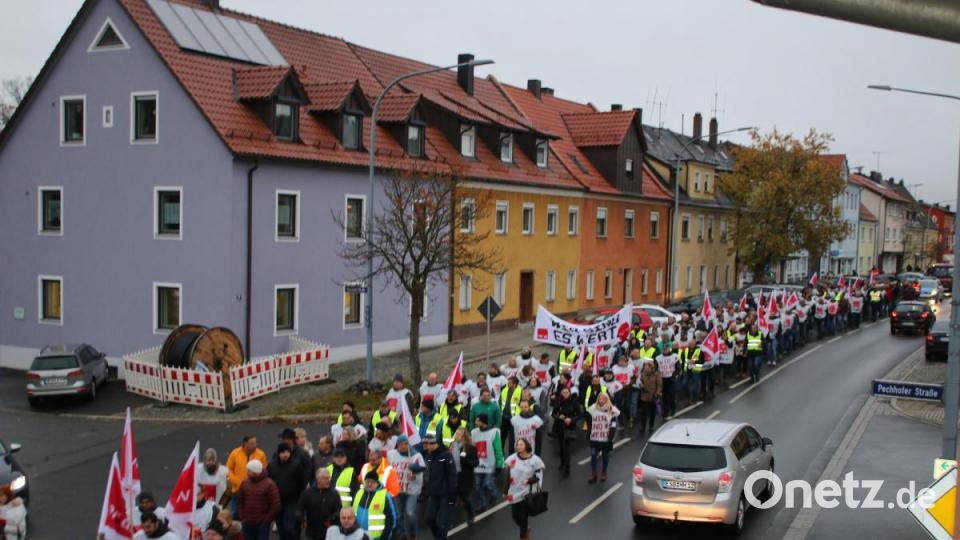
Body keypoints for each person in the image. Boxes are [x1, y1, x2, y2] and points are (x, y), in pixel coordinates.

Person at [504, 438, 544, 540]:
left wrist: (529, 480)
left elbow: (538, 476)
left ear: (526, 446)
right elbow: (508, 476)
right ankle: (526, 529)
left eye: (521, 445)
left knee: (523, 516)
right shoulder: (512, 459)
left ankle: (523, 537)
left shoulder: (535, 460)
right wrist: (505, 491)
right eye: (517, 445)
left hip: (527, 492)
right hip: (515, 491)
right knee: (515, 516)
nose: (518, 447)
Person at [386, 436, 425, 540]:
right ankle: (402, 534)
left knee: (410, 512)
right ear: (397, 445)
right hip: (397, 490)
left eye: (405, 444)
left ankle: (413, 533)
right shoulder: (391, 454)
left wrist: (415, 476)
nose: (403, 446)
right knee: (399, 514)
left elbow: (422, 471)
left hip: (411, 490)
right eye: (400, 444)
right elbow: (388, 470)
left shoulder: (416, 456)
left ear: (408, 444)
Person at [269, 442, 310, 540]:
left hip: (292, 501)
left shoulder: (296, 465)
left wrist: (300, 501)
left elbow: (302, 483)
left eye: (287, 451)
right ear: (278, 453)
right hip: (277, 501)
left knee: (289, 527)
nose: (285, 454)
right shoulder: (272, 465)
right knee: (280, 526)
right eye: (283, 452)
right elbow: (268, 481)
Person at [422, 434, 458, 540]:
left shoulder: (446, 455)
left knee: (443, 522)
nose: (426, 446)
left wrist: (452, 493)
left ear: (434, 443)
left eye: (428, 444)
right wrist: (425, 490)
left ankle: (440, 537)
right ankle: (439, 536)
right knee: (429, 519)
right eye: (425, 444)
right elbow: (427, 474)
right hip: (433, 493)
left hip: (445, 494)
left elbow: (452, 474)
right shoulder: (428, 456)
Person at [236, 459, 280, 540]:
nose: (247, 473)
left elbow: (275, 505)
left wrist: (266, 520)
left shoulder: (270, 484)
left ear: (255, 472)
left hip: (262, 525)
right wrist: (242, 517)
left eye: (249, 471)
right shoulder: (245, 483)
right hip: (247, 523)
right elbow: (239, 501)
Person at [226, 435, 268, 515]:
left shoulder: (261, 454)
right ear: (245, 444)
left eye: (255, 443)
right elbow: (228, 469)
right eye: (252, 443)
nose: (255, 445)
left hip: (254, 491)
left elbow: (264, 471)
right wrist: (236, 481)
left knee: (252, 514)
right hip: (237, 490)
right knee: (235, 514)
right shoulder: (235, 453)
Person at [470, 413, 504, 511]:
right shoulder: (474, 432)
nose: (475, 422)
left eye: (477, 420)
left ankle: (493, 494)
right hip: (478, 464)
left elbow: (498, 449)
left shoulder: (494, 432)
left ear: (482, 422)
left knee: (488, 483)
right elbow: (471, 447)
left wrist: (499, 463)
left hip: (490, 463)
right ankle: (483, 503)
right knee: (477, 486)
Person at [297, 468, 342, 540]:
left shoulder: (334, 494)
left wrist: (330, 519)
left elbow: (339, 511)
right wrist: (302, 519)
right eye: (325, 478)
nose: (328, 480)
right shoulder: (307, 493)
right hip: (311, 533)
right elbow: (299, 509)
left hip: (329, 533)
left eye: (329, 478)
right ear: (317, 478)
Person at [353, 471, 398, 540]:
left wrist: (385, 537)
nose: (369, 484)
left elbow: (391, 520)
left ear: (377, 483)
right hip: (358, 535)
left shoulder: (385, 496)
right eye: (367, 481)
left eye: (373, 482)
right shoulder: (359, 493)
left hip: (376, 538)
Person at [586, 393, 620, 483]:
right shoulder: (593, 408)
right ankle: (593, 473)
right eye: (600, 399)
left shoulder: (611, 410)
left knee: (605, 457)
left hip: (606, 438)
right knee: (593, 455)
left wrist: (611, 436)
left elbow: (613, 424)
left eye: (603, 399)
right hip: (595, 437)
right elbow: (589, 422)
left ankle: (604, 472)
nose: (601, 400)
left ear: (607, 400)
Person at [550, 386, 581, 478]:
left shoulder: (574, 402)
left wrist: (571, 419)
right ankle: (562, 462)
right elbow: (553, 413)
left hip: (569, 427)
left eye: (567, 392)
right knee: (561, 446)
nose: (565, 394)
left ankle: (567, 467)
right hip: (559, 427)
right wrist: (558, 417)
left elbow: (579, 414)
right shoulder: (559, 402)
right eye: (563, 392)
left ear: (569, 393)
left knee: (566, 448)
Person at [450, 427, 479, 524]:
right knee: (452, 499)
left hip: (464, 477)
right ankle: (449, 521)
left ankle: (471, 514)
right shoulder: (452, 445)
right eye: (456, 434)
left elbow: (475, 463)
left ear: (464, 436)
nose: (456, 436)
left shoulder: (470, 447)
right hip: (453, 476)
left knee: (465, 498)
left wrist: (466, 459)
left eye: (459, 434)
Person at [637, 359, 661, 434]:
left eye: (647, 367)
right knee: (643, 413)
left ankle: (651, 425)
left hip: (653, 396)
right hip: (644, 396)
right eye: (645, 367)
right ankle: (643, 426)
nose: (645, 368)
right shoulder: (642, 374)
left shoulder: (656, 374)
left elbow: (659, 385)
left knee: (652, 413)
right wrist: (640, 385)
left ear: (651, 367)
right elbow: (639, 381)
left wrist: (657, 393)